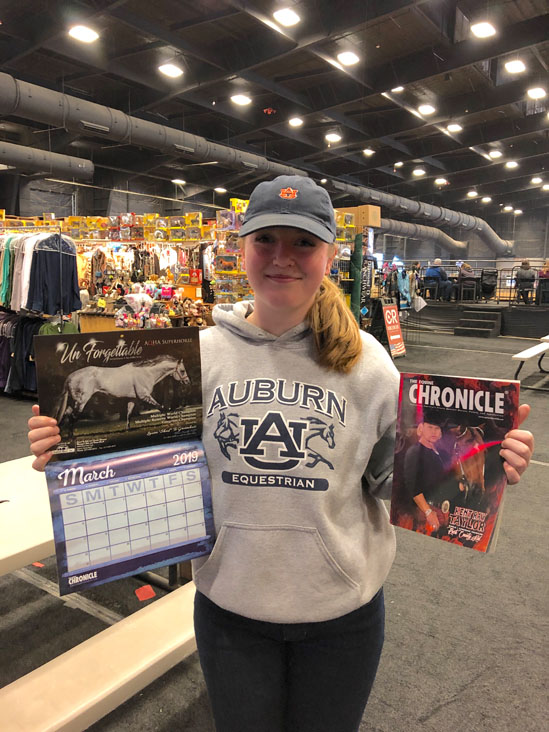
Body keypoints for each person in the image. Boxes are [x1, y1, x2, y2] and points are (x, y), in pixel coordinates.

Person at [27, 175, 534, 732]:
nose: (281, 257)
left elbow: (392, 479)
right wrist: (73, 450)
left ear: (330, 255)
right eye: (265, 239)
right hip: (230, 612)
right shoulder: (196, 356)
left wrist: (482, 462)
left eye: (303, 243)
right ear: (241, 248)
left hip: (342, 615)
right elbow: (155, 468)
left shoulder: (367, 363)